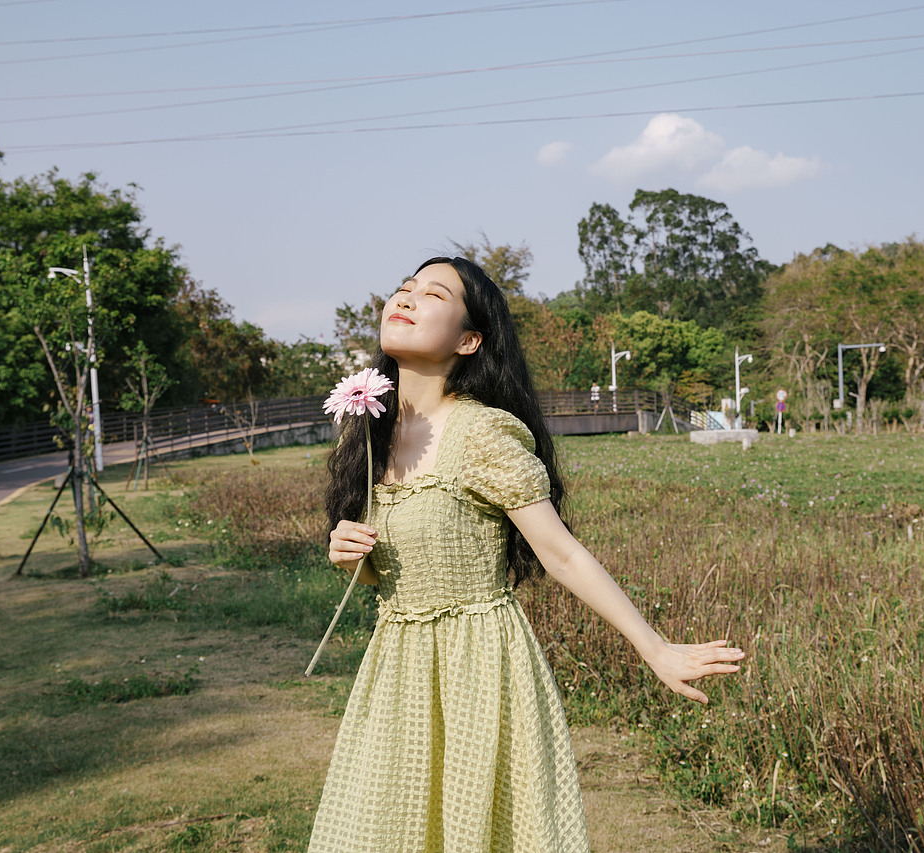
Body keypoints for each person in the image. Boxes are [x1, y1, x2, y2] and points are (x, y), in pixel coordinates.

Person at [309, 257, 744, 852]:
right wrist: (348, 557)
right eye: (404, 287)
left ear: (468, 340)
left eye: (433, 293)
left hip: (479, 671)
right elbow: (394, 575)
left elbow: (560, 554)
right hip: (397, 671)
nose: (407, 297)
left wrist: (655, 647)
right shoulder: (369, 433)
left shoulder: (482, 433)